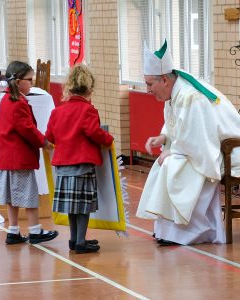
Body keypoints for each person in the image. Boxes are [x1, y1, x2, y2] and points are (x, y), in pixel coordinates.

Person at [136, 40, 240, 245]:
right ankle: (169, 230)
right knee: (165, 165)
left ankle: (194, 231)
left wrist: (173, 150)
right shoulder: (176, 91)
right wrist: (165, 137)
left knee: (173, 166)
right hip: (205, 149)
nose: (148, 90)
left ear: (164, 80)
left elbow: (199, 138)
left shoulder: (191, 95)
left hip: (228, 152)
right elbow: (179, 125)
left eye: (149, 84)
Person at [45, 64, 114, 254]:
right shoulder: (88, 110)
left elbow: (49, 136)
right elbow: (93, 132)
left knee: (71, 206)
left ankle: (74, 239)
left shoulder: (56, 112)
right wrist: (108, 139)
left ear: (68, 87)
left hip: (63, 165)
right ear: (89, 88)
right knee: (83, 206)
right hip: (82, 163)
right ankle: (81, 242)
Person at [0, 60, 58, 245]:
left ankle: (13, 230)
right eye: (29, 79)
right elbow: (27, 128)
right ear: (18, 81)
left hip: (8, 157)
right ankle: (35, 230)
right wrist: (45, 142)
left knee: (12, 197)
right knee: (30, 195)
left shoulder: (7, 99)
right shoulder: (17, 103)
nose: (32, 83)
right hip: (19, 157)